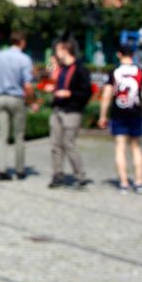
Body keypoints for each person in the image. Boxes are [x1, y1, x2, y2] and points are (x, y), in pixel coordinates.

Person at [98, 45, 142, 194]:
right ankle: (139, 182)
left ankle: (123, 183)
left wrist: (103, 115)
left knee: (120, 148)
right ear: (134, 54)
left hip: (118, 113)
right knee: (136, 147)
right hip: (135, 113)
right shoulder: (141, 72)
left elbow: (107, 95)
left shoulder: (114, 72)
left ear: (119, 54)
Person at [0, 31, 35, 181]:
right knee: (19, 135)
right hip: (16, 97)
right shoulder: (25, 59)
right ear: (21, 42)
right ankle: (19, 170)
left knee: (2, 136)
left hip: (1, 97)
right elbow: (27, 84)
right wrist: (32, 100)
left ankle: (1, 170)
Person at [49, 40, 92, 189]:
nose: (56, 53)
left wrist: (70, 93)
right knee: (55, 144)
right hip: (58, 109)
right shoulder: (61, 68)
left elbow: (87, 92)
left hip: (72, 110)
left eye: (59, 50)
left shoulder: (80, 69)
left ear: (67, 50)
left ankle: (80, 176)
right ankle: (57, 175)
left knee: (69, 144)